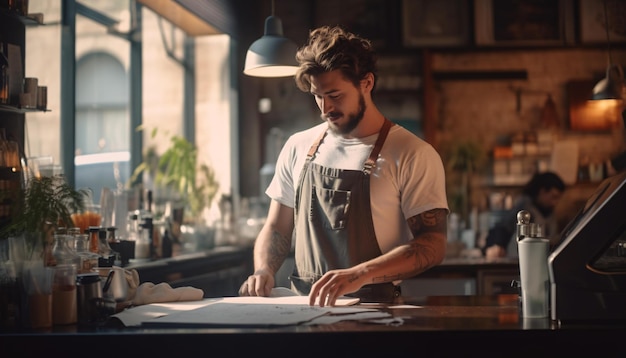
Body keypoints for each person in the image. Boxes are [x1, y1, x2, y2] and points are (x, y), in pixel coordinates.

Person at [238, 25, 449, 307]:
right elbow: (277, 226)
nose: (325, 108)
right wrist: (264, 269)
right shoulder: (297, 146)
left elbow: (433, 244)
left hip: (375, 313)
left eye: (335, 96)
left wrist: (359, 274)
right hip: (301, 309)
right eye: (317, 96)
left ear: (367, 83)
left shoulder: (412, 154)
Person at [484, 171, 566, 260]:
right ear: (542, 192)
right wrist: (496, 245)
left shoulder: (549, 213)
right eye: (553, 197)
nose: (555, 203)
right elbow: (502, 227)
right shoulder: (525, 208)